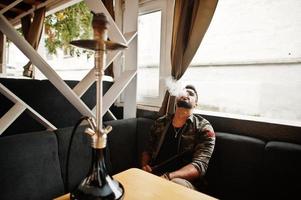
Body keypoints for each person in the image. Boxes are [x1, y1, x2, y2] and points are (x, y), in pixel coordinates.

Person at [140, 85, 215, 190]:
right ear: (176, 100)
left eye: (191, 94)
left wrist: (169, 176)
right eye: (183, 92)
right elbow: (147, 150)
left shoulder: (203, 128)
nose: (186, 95)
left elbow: (199, 165)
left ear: (196, 104)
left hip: (182, 181)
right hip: (154, 175)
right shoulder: (161, 122)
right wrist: (145, 166)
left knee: (175, 183)